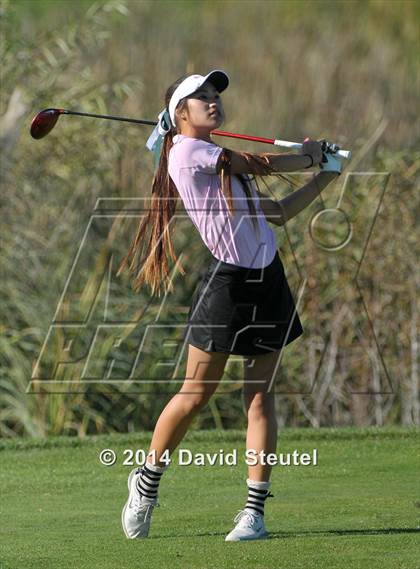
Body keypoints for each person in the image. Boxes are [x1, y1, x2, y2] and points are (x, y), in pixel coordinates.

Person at [119, 70, 343, 541]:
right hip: (227, 283)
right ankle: (146, 481)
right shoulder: (188, 151)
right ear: (181, 114)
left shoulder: (224, 167)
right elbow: (258, 162)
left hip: (269, 282)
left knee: (259, 397)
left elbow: (279, 213)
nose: (212, 100)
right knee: (196, 395)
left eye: (215, 94)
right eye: (200, 97)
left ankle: (254, 513)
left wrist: (325, 172)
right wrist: (307, 153)